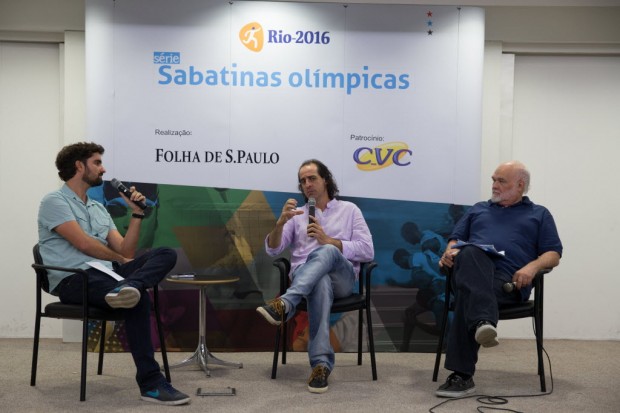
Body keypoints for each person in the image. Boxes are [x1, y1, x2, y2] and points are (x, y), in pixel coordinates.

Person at [37, 142, 190, 405]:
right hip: (74, 279)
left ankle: (127, 287)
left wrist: (137, 213)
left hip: (109, 277)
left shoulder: (98, 209)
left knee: (165, 253)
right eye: (97, 162)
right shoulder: (54, 201)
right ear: (78, 166)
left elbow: (125, 249)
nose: (103, 168)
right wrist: (120, 261)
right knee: (138, 298)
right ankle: (151, 385)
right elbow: (84, 245)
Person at [435, 160, 562, 398]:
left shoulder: (539, 214)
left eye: (501, 181)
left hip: (509, 281)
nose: (494, 185)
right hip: (469, 270)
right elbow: (455, 239)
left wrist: (532, 267)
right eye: (493, 179)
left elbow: (553, 254)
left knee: (467, 295)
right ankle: (483, 321)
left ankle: (461, 377)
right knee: (471, 252)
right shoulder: (478, 209)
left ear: (520, 185)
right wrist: (449, 251)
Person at [256, 159, 374, 393]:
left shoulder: (349, 210)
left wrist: (330, 241)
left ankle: (285, 303)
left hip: (342, 279)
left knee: (327, 251)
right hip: (308, 279)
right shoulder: (297, 215)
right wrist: (280, 223)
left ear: (326, 180)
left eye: (312, 178)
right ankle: (320, 365)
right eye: (303, 181)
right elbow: (273, 249)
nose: (307, 184)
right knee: (318, 281)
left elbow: (367, 250)